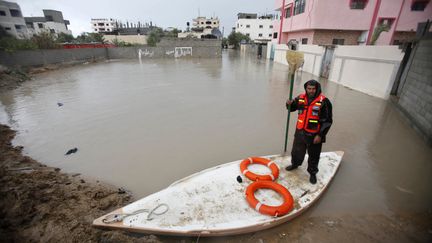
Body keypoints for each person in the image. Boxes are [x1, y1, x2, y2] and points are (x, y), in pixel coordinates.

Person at [285, 80, 333, 184]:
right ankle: (295, 164)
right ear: (306, 89)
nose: (311, 91)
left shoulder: (324, 101)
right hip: (300, 131)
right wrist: (289, 103)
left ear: (317, 89)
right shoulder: (300, 98)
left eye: (313, 89)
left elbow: (327, 121)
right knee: (297, 150)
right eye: (309, 89)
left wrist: (320, 135)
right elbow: (291, 108)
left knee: (314, 155)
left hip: (314, 135)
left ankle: (312, 173)